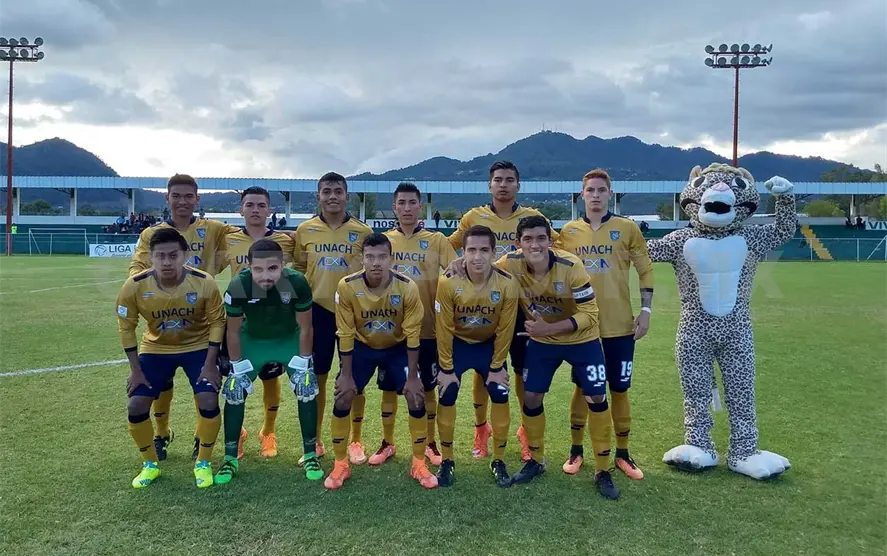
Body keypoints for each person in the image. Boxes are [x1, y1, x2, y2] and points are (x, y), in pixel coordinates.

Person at [495, 215, 621, 500]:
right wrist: (458, 265)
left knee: (596, 397)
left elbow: (590, 314)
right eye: (528, 239)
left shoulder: (571, 266)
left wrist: (549, 328)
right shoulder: (510, 263)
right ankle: (536, 460)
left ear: (550, 240)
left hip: (582, 341)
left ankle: (603, 469)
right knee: (531, 397)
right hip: (543, 343)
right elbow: (483, 271)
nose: (535, 245)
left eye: (541, 238)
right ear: (518, 243)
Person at [446, 160, 558, 461]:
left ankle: (525, 431)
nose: (504, 185)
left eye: (509, 180)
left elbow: (557, 249)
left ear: (518, 185)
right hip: (484, 307)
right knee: (483, 369)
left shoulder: (534, 217)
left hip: (524, 308)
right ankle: (481, 430)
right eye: (498, 180)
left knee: (521, 371)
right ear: (490, 185)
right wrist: (454, 261)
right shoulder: (474, 217)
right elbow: (448, 246)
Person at [128, 174, 238, 463]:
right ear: (167, 198)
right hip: (162, 324)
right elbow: (136, 270)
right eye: (176, 196)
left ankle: (201, 437)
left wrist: (289, 236)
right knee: (162, 384)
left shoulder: (213, 229)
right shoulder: (151, 235)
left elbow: (248, 235)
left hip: (203, 323)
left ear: (197, 199)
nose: (182, 201)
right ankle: (161, 434)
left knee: (204, 384)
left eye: (189, 196)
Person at [555, 169, 653, 481]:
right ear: (581, 194)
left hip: (621, 326)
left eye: (601, 190)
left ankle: (623, 453)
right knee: (583, 387)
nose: (595, 195)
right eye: (590, 190)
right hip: (584, 329)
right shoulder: (568, 232)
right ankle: (576, 450)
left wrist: (646, 310)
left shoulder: (627, 228)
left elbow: (645, 269)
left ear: (610, 193)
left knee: (620, 388)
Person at [115, 227, 225, 489]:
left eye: (173, 255)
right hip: (156, 349)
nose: (166, 262)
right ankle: (150, 465)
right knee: (136, 406)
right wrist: (136, 370)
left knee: (208, 398)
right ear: (150, 257)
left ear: (184, 255)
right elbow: (126, 327)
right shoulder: (134, 285)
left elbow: (217, 322)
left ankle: (203, 462)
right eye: (160, 256)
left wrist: (211, 364)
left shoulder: (204, 281)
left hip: (198, 346)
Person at [325, 233, 437, 489]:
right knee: (343, 395)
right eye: (370, 257)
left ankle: (419, 464)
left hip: (397, 348)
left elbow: (412, 333)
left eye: (382, 257)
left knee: (416, 396)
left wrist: (412, 377)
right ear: (362, 259)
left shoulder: (406, 287)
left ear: (391, 259)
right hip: (362, 348)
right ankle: (340, 464)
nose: (376, 262)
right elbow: (345, 332)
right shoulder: (347, 286)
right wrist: (346, 375)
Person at [215, 239, 323, 484]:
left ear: (283, 265)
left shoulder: (296, 282)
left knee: (306, 386)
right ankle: (230, 458)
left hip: (288, 339)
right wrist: (236, 365)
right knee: (234, 389)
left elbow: (306, 327)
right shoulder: (239, 285)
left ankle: (310, 454)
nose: (266, 275)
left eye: (273, 268)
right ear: (249, 267)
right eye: (259, 269)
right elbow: (233, 331)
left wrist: (305, 361)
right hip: (253, 341)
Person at [365, 182, 457, 468]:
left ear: (421, 206)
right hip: (391, 332)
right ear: (394, 207)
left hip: (428, 329)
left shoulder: (437, 240)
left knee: (427, 388)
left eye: (412, 202)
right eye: (401, 203)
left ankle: (429, 443)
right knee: (389, 388)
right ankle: (387, 442)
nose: (406, 208)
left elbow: (455, 272)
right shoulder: (383, 240)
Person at [292, 172, 373, 466]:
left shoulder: (362, 231)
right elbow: (299, 269)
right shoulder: (305, 230)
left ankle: (355, 440)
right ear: (318, 196)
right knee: (318, 377)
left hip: (354, 312)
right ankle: (315, 442)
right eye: (326, 191)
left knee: (355, 379)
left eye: (338, 191)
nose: (332, 196)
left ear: (347, 196)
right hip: (319, 313)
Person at [434, 225, 519, 487]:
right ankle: (447, 460)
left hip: (488, 346)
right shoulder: (448, 281)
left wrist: (497, 367)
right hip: (458, 345)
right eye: (471, 250)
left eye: (484, 250)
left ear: (494, 253)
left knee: (500, 392)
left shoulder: (506, 283)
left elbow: (505, 329)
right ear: (463, 252)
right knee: (447, 393)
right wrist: (446, 369)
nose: (477, 257)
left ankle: (499, 460)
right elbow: (444, 328)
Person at [218, 186, 296, 459]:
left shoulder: (284, 241)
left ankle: (268, 431)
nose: (255, 210)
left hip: (272, 320)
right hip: (239, 320)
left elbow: (299, 266)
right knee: (235, 379)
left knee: (271, 380)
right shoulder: (227, 239)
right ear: (241, 209)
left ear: (269, 210)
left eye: (261, 205)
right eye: (249, 205)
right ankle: (237, 433)